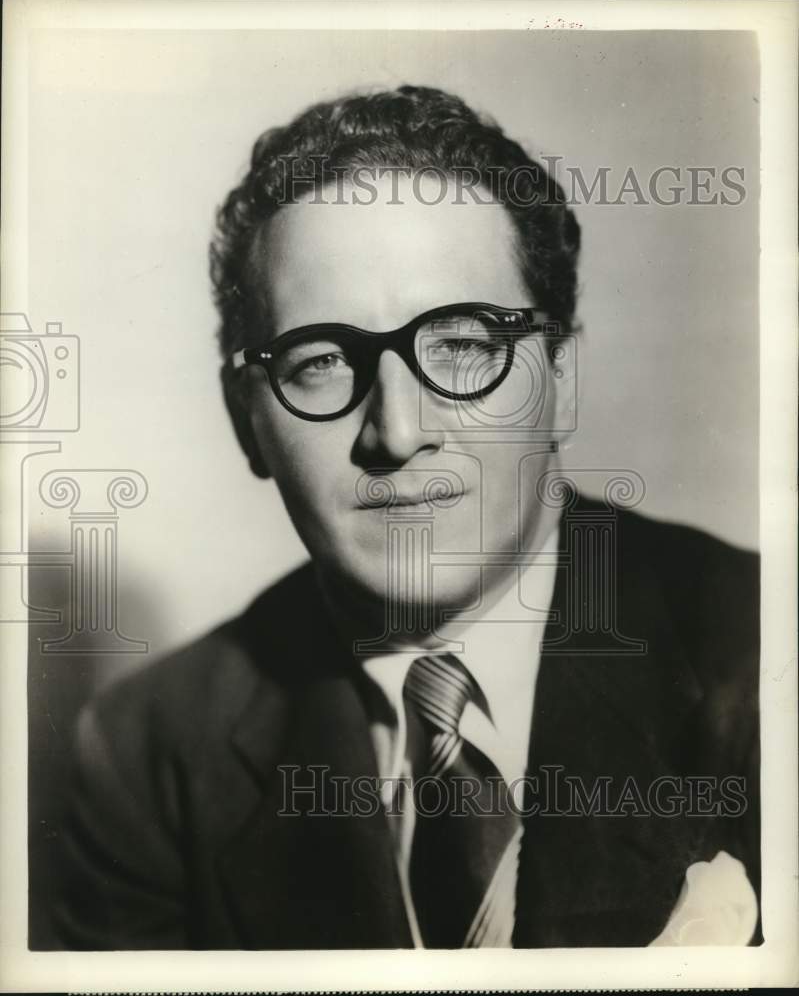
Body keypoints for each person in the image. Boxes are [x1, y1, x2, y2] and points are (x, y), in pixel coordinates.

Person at [54, 86, 759, 950]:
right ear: (246, 421)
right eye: (319, 361)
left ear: (561, 382)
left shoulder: (764, 657)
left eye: (461, 346)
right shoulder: (147, 755)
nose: (397, 430)